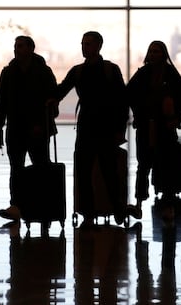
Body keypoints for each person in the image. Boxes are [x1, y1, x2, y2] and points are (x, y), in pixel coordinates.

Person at [56, 31, 129, 227]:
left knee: (102, 170)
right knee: (92, 171)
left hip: (97, 127)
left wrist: (119, 129)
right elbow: (59, 91)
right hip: (93, 127)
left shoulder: (102, 70)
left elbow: (122, 102)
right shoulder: (103, 70)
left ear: (98, 46)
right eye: (83, 44)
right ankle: (111, 210)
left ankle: (100, 211)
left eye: (87, 44)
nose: (84, 47)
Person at [0, 35, 58, 223]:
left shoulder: (43, 72)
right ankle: (16, 205)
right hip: (16, 129)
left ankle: (42, 204)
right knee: (17, 168)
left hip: (37, 129)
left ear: (31, 48)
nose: (16, 49)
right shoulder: (8, 72)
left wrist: (42, 122)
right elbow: (1, 102)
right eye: (15, 46)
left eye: (20, 46)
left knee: (40, 167)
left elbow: (52, 99)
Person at [126, 40, 181, 219]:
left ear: (163, 54)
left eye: (157, 52)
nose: (153, 55)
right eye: (151, 51)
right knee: (144, 165)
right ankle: (141, 202)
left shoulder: (165, 73)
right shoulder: (147, 73)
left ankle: (164, 203)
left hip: (162, 126)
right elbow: (128, 94)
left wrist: (175, 114)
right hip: (149, 126)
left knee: (163, 166)